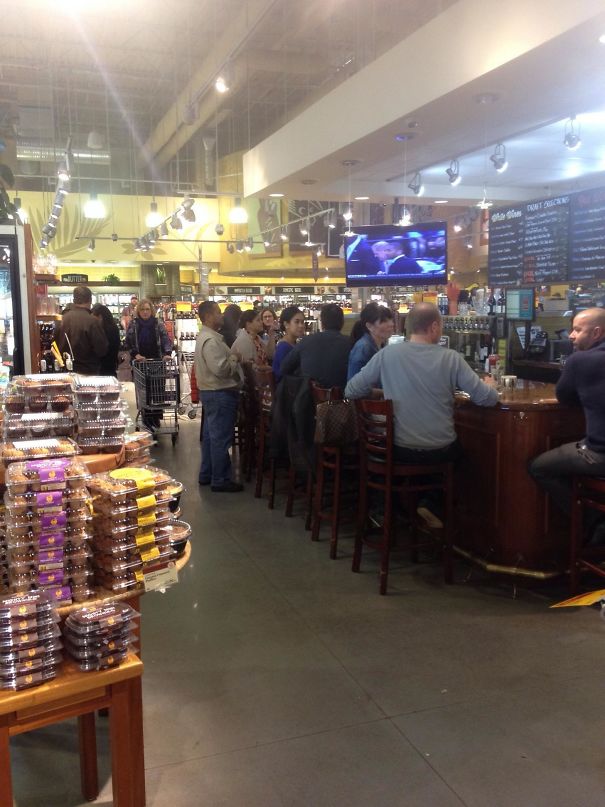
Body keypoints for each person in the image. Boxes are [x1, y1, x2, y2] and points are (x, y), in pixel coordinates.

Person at [345, 302, 498, 526]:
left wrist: (387, 391)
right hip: (439, 451)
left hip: (397, 450)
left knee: (427, 451)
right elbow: (486, 398)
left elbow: (351, 389)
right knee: (464, 459)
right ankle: (432, 503)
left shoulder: (388, 354)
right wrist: (491, 385)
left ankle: (413, 508)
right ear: (434, 326)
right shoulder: (451, 358)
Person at [528, 307, 605, 544]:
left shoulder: (580, 360)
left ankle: (591, 520)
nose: (571, 335)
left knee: (538, 467)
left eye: (577, 330)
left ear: (597, 333)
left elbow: (565, 398)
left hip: (599, 454)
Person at [195, 301, 244, 493]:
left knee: (210, 437)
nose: (221, 316)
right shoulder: (211, 340)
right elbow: (221, 369)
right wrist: (234, 358)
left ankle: (207, 473)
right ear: (208, 316)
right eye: (218, 312)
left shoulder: (206, 337)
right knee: (220, 439)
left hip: (211, 393)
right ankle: (220, 479)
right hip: (219, 393)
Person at [123, 299, 173, 431]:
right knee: (144, 392)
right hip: (141, 363)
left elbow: (165, 338)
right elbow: (128, 342)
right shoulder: (133, 324)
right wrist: (135, 354)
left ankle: (155, 418)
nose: (145, 312)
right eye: (142, 309)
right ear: (138, 311)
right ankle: (146, 418)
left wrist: (167, 353)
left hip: (157, 362)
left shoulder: (158, 323)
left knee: (157, 391)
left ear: (152, 311)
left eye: (147, 309)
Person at [279, 303, 351, 391]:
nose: (301, 325)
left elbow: (284, 368)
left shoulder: (306, 341)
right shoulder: (350, 343)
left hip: (308, 400)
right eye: (297, 322)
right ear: (342, 322)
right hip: (341, 400)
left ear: (322, 323)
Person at [55, 285, 108, 375]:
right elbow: (102, 349)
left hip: (64, 370)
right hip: (88, 372)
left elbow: (55, 345)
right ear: (90, 300)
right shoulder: (92, 321)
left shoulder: (63, 319)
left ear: (74, 300)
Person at [347, 303, 394, 380]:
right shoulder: (364, 348)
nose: (391, 324)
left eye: (391, 320)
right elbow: (354, 386)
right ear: (369, 326)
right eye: (384, 321)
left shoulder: (380, 344)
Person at [272, 306, 304, 382]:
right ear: (286, 324)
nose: (301, 325)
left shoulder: (293, 343)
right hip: (288, 391)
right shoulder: (283, 347)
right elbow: (285, 376)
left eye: (302, 322)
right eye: (297, 322)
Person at [91, 303, 121, 376]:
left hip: (102, 369)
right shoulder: (113, 328)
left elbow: (101, 351)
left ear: (100, 317)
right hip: (111, 368)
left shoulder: (103, 331)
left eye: (93, 318)